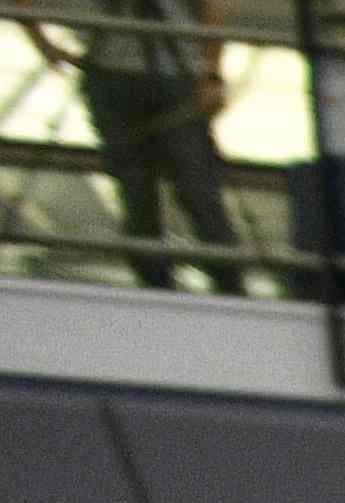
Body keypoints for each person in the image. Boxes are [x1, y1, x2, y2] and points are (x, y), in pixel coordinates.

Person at [70, 1, 247, 291]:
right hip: (152, 76)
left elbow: (213, 7)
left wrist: (211, 73)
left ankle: (218, 287)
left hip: (140, 76)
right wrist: (211, 73)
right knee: (165, 194)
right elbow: (213, 8)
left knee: (179, 193)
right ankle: (215, 288)